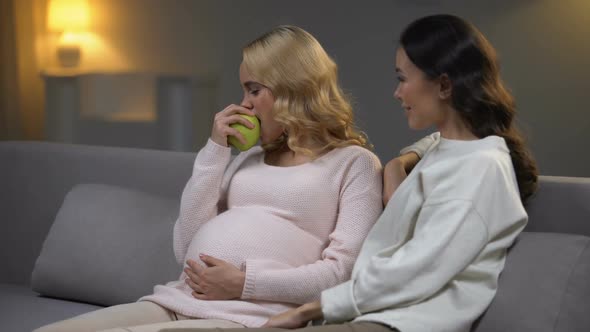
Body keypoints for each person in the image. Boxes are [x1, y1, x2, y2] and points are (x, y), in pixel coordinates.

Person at [186, 14, 539, 332]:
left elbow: (416, 271)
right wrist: (398, 165)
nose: (397, 92)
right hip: (369, 313)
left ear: (444, 86)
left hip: (404, 321)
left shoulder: (481, 169)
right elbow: (447, 145)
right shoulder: (454, 149)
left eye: (403, 79)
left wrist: (308, 310)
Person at [34, 26, 386, 332]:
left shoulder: (354, 164)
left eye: (254, 90)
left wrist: (244, 283)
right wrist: (216, 150)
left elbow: (342, 273)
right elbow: (185, 246)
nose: (243, 105)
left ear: (292, 89)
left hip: (247, 318)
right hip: (175, 301)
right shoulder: (249, 157)